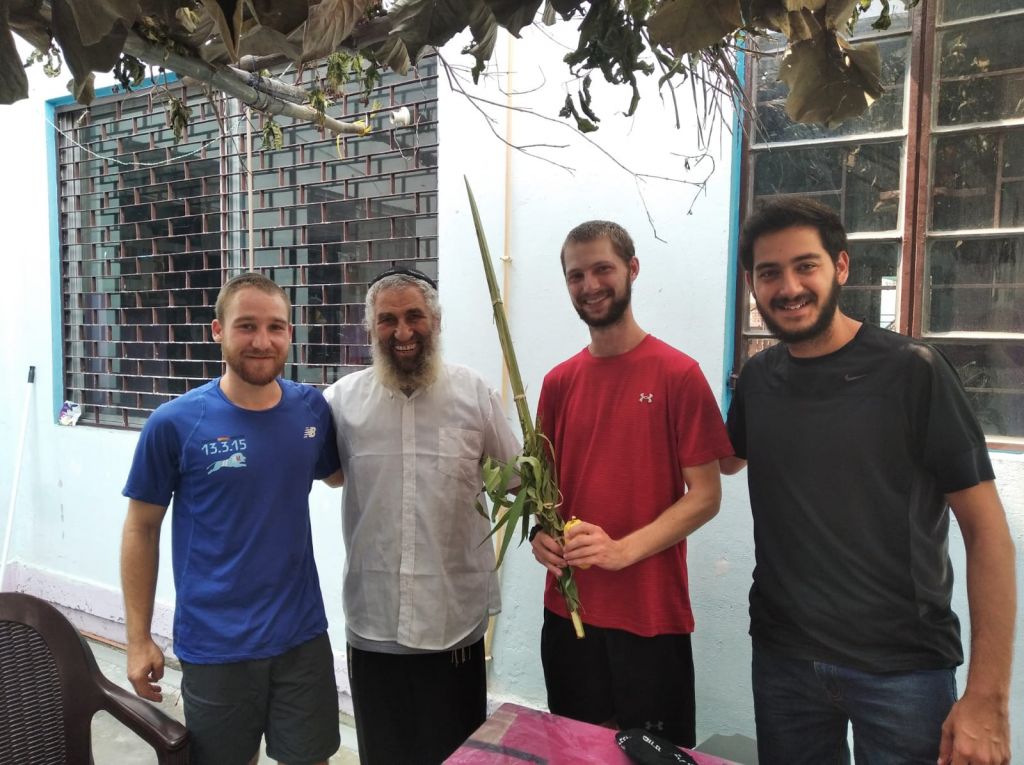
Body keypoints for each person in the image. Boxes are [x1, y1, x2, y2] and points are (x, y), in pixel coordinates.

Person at [723, 197, 1017, 765]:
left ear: (841, 266)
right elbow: (719, 460)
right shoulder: (758, 379)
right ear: (753, 285)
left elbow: (988, 535)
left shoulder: (913, 371)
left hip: (903, 670)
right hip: (784, 660)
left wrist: (988, 697)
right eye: (769, 272)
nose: (788, 287)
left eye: (805, 266)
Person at [120, 272, 343, 765]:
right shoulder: (175, 423)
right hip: (216, 645)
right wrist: (137, 639)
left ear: (290, 333)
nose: (262, 341)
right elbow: (141, 528)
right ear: (218, 330)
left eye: (275, 327)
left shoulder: (310, 410)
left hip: (302, 637)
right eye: (246, 326)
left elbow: (340, 474)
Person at [530, 221, 733, 747]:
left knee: (656, 757)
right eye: (576, 275)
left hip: (649, 615)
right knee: (576, 752)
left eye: (603, 269)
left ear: (632, 269)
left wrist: (621, 551)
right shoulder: (558, 383)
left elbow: (706, 496)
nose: (590, 285)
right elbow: (546, 495)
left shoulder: (677, 374)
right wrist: (539, 536)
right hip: (569, 613)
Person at [323, 267, 521, 765]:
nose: (403, 331)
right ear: (371, 327)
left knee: (455, 755)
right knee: (383, 755)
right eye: (387, 319)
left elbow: (515, 481)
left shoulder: (474, 394)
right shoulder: (342, 403)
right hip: (374, 621)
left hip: (454, 622)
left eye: (414, 316)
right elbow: (329, 475)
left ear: (436, 320)